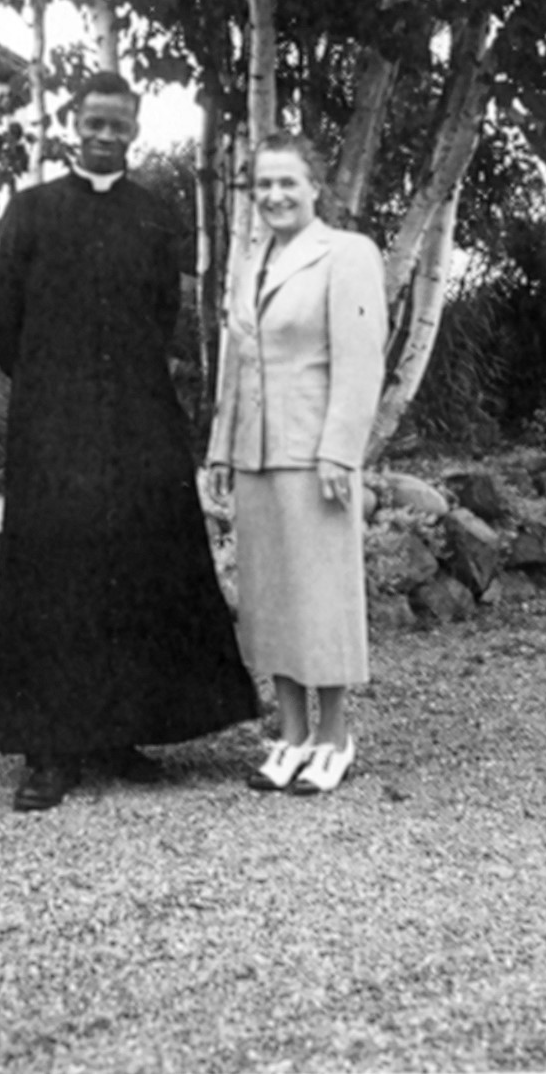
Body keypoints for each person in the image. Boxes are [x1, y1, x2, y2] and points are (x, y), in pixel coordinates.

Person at [0, 71, 258, 812]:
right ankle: (48, 747)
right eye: (94, 122)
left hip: (137, 418)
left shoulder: (153, 213)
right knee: (54, 575)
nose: (106, 135)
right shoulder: (33, 210)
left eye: (120, 125)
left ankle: (119, 732)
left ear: (134, 131)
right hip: (53, 425)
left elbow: (162, 313)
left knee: (134, 567)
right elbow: (1, 318)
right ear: (73, 124)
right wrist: (51, 387)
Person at [206, 131, 386, 794]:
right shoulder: (251, 261)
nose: (274, 195)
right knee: (271, 599)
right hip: (256, 453)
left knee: (321, 597)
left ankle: (334, 736)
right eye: (263, 184)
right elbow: (238, 361)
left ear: (315, 187)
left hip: (316, 457)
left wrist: (340, 449)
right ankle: (291, 733)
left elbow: (360, 359)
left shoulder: (346, 253)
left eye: (288, 181)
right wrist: (222, 446)